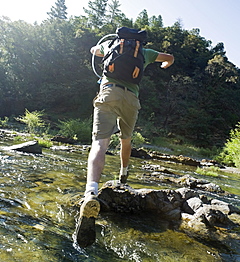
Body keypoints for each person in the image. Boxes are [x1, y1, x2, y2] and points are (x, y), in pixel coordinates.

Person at [75, 30, 174, 248]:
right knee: (126, 140)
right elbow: (169, 58)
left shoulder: (110, 44)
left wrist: (99, 48)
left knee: (100, 143)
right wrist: (165, 65)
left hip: (108, 91)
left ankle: (91, 191)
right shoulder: (145, 52)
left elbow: (94, 51)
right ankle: (123, 175)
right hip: (132, 98)